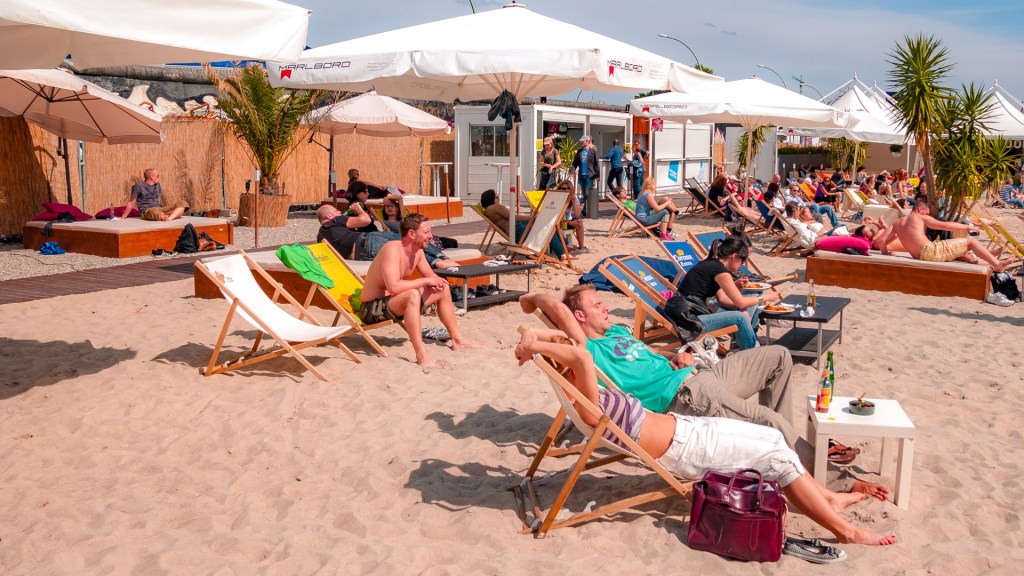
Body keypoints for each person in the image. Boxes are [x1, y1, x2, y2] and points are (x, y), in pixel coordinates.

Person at [513, 340, 898, 547]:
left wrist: (536, 342)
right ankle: (842, 529)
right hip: (687, 449)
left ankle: (828, 497)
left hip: (685, 429)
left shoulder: (590, 396)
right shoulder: (591, 407)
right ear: (571, 373)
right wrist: (535, 345)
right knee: (776, 453)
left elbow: (572, 351)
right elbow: (578, 354)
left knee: (770, 435)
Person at [519, 289, 891, 500]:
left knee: (778, 356)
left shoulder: (618, 333)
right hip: (685, 399)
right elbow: (554, 306)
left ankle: (788, 460)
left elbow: (649, 360)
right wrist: (534, 296)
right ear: (578, 318)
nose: (604, 306)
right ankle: (833, 481)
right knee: (770, 422)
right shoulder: (589, 347)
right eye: (595, 305)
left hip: (698, 373)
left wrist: (674, 355)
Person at [359, 214, 481, 367]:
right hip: (372, 309)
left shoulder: (418, 252)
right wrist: (425, 281)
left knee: (442, 288)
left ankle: (457, 340)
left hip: (393, 304)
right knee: (412, 294)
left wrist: (435, 281)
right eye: (426, 232)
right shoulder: (392, 250)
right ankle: (421, 355)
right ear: (411, 233)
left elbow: (432, 277)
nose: (430, 236)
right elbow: (394, 287)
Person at [677, 236, 783, 350]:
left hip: (685, 312)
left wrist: (743, 306)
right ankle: (752, 350)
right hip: (688, 319)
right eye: (743, 261)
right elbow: (740, 302)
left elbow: (722, 299)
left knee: (748, 304)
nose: (741, 265)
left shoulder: (712, 265)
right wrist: (764, 297)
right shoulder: (720, 271)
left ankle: (743, 342)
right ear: (734, 257)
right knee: (740, 317)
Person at [877, 199, 1010, 271]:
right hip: (930, 252)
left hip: (920, 256)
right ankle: (997, 264)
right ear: (919, 210)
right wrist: (968, 226)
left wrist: (885, 253)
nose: (927, 215)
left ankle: (988, 259)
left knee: (957, 250)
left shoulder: (897, 223)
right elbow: (946, 226)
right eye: (926, 212)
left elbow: (882, 240)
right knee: (971, 243)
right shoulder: (919, 217)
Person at [316, 205, 457, 269]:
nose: (340, 211)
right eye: (336, 211)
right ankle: (442, 258)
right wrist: (358, 209)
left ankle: (437, 261)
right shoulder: (335, 221)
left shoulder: (320, 237)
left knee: (404, 249)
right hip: (368, 240)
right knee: (410, 240)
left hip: (363, 255)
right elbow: (366, 220)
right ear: (329, 216)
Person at [479, 189, 568, 261]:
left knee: (544, 225)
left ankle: (564, 247)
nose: (498, 198)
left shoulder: (488, 210)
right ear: (492, 199)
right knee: (545, 226)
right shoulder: (495, 207)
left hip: (514, 231)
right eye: (497, 197)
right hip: (517, 228)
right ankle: (562, 251)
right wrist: (531, 218)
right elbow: (513, 217)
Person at [554, 180, 590, 253]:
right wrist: (570, 222)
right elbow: (555, 217)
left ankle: (581, 247)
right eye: (560, 188)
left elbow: (577, 215)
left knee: (579, 221)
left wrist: (573, 201)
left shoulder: (573, 198)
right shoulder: (556, 198)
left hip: (567, 222)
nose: (561, 190)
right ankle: (570, 246)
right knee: (576, 223)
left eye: (564, 189)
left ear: (570, 190)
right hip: (558, 223)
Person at [572, 135, 599, 217]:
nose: (581, 142)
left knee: (588, 194)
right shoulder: (579, 151)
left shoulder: (593, 151)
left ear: (588, 141)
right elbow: (575, 163)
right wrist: (572, 171)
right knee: (584, 194)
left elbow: (597, 164)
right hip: (582, 175)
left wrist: (598, 175)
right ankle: (585, 209)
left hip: (590, 175)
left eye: (583, 141)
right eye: (581, 141)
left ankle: (586, 210)